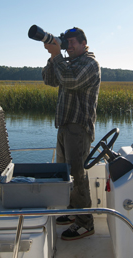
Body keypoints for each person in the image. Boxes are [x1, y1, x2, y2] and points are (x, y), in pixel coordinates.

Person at [42, 27, 101, 240]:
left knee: (78, 175)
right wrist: (53, 56)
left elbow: (70, 81)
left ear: (85, 43)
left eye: (73, 42)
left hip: (78, 127)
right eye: (67, 43)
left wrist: (58, 55)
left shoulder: (90, 64)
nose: (70, 46)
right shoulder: (68, 63)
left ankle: (85, 223)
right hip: (65, 126)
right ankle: (73, 212)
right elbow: (49, 79)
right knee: (65, 173)